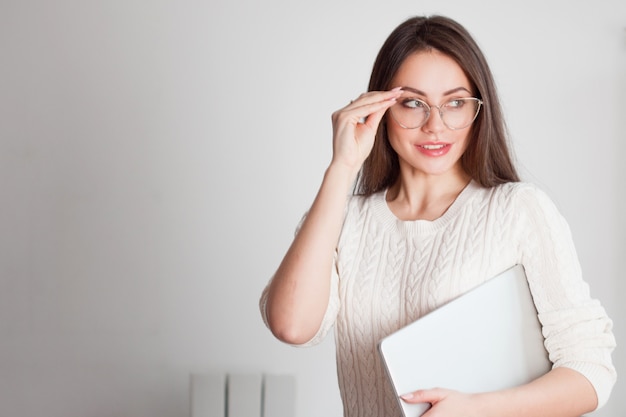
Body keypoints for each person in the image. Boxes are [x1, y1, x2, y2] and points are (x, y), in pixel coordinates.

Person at [259, 15, 616, 417]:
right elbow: (291, 325)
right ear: (380, 108)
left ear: (478, 110)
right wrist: (341, 167)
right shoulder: (345, 222)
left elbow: (590, 370)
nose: (435, 126)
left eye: (455, 103)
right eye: (413, 103)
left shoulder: (518, 210)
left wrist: (478, 409)